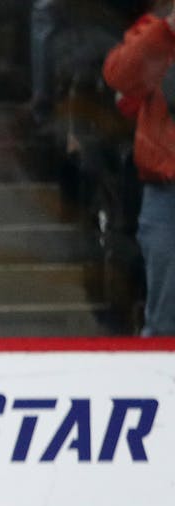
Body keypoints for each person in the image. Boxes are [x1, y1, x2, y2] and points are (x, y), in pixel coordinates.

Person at [104, 4, 175, 336]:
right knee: (164, 322)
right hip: (167, 192)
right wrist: (168, 31)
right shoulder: (157, 31)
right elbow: (120, 77)